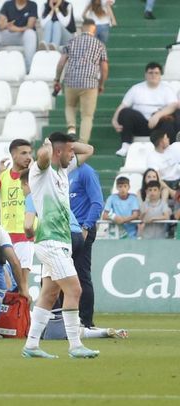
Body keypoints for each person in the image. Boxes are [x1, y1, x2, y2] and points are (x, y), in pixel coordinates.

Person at [23, 132, 98, 359]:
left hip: (61, 241)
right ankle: (75, 346)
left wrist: (67, 144)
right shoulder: (40, 171)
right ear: (58, 152)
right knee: (74, 290)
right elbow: (44, 156)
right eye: (69, 151)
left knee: (48, 294)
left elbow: (89, 149)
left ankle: (31, 346)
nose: (73, 154)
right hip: (50, 241)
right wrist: (49, 145)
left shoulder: (64, 170)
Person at [0, 139, 34, 295]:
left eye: (30, 153)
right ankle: (10, 317)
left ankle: (23, 318)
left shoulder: (33, 175)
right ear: (13, 155)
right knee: (5, 283)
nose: (28, 156)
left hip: (24, 236)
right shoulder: (4, 176)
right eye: (24, 153)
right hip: (5, 236)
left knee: (22, 283)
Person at [53, 19, 108, 145]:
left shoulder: (71, 42)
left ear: (82, 28)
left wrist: (57, 79)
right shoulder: (100, 45)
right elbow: (104, 67)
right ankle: (82, 142)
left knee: (70, 106)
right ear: (94, 29)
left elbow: (61, 62)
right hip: (90, 83)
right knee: (87, 115)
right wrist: (101, 83)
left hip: (71, 80)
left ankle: (71, 129)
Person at [111, 62, 179, 157]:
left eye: (156, 73)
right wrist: (114, 120)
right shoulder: (136, 89)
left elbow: (174, 105)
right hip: (141, 124)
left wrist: (157, 116)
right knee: (126, 112)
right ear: (145, 74)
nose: (153, 75)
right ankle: (125, 145)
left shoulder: (166, 89)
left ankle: (168, 149)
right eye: (150, 73)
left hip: (159, 125)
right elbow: (123, 105)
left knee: (171, 118)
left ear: (160, 75)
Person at [67, 162, 103, 328]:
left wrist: (87, 226)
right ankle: (63, 320)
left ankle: (85, 320)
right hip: (65, 230)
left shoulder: (86, 171)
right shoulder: (64, 172)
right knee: (62, 275)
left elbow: (97, 202)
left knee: (81, 274)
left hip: (82, 229)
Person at [0, 0, 38, 72]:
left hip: (23, 35)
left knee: (30, 33)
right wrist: (4, 25)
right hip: (9, 33)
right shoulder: (8, 4)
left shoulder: (32, 5)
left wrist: (17, 29)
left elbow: (30, 26)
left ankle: (29, 68)